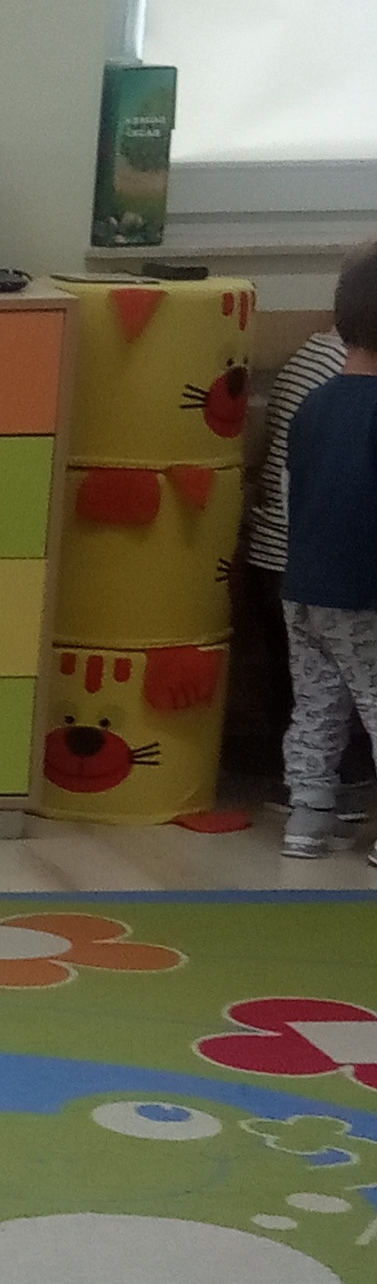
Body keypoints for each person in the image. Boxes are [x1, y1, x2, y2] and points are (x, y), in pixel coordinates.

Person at [280, 237, 377, 860]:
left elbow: (296, 491)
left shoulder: (314, 404)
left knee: (317, 703)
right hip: (365, 591)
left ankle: (308, 817)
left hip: (305, 586)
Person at [234, 306, 353, 804]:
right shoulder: (346, 376)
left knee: (308, 691)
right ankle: (340, 780)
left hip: (279, 558)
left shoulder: (316, 354)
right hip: (312, 561)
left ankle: (310, 792)